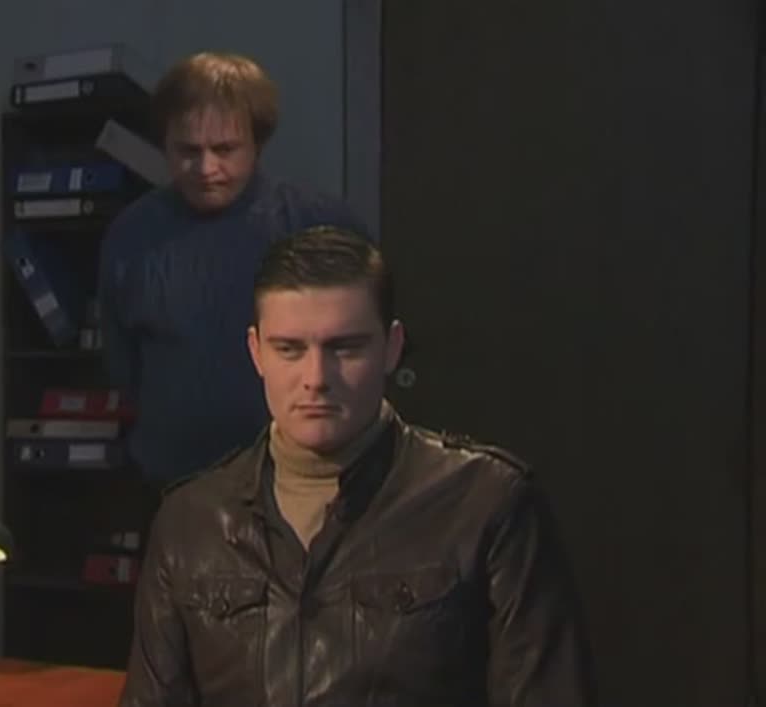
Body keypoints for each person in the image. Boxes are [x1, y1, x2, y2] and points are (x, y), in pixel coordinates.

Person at [119, 226, 596, 706]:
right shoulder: (191, 522)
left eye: (344, 348)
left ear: (391, 347)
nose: (315, 378)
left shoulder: (485, 503)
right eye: (289, 349)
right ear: (256, 351)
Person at [98, 52, 367, 487]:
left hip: (303, 485)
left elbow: (363, 353)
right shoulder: (132, 236)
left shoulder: (317, 225)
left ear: (257, 145)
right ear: (164, 145)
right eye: (188, 151)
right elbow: (123, 364)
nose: (206, 169)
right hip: (172, 485)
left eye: (224, 150)